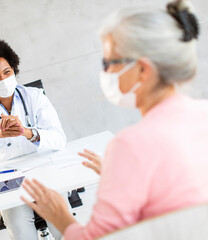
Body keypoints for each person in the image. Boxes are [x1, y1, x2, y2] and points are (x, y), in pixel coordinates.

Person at [21, 0, 208, 239]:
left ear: (143, 69)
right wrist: (122, 178)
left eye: (108, 62)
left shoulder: (131, 146)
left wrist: (59, 215)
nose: (105, 73)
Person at [0, 38, 66, 240]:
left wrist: (28, 132)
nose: (3, 79)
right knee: (20, 230)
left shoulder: (36, 97)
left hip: (44, 172)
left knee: (63, 227)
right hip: (8, 182)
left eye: (7, 72)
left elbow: (59, 140)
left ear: (14, 69)